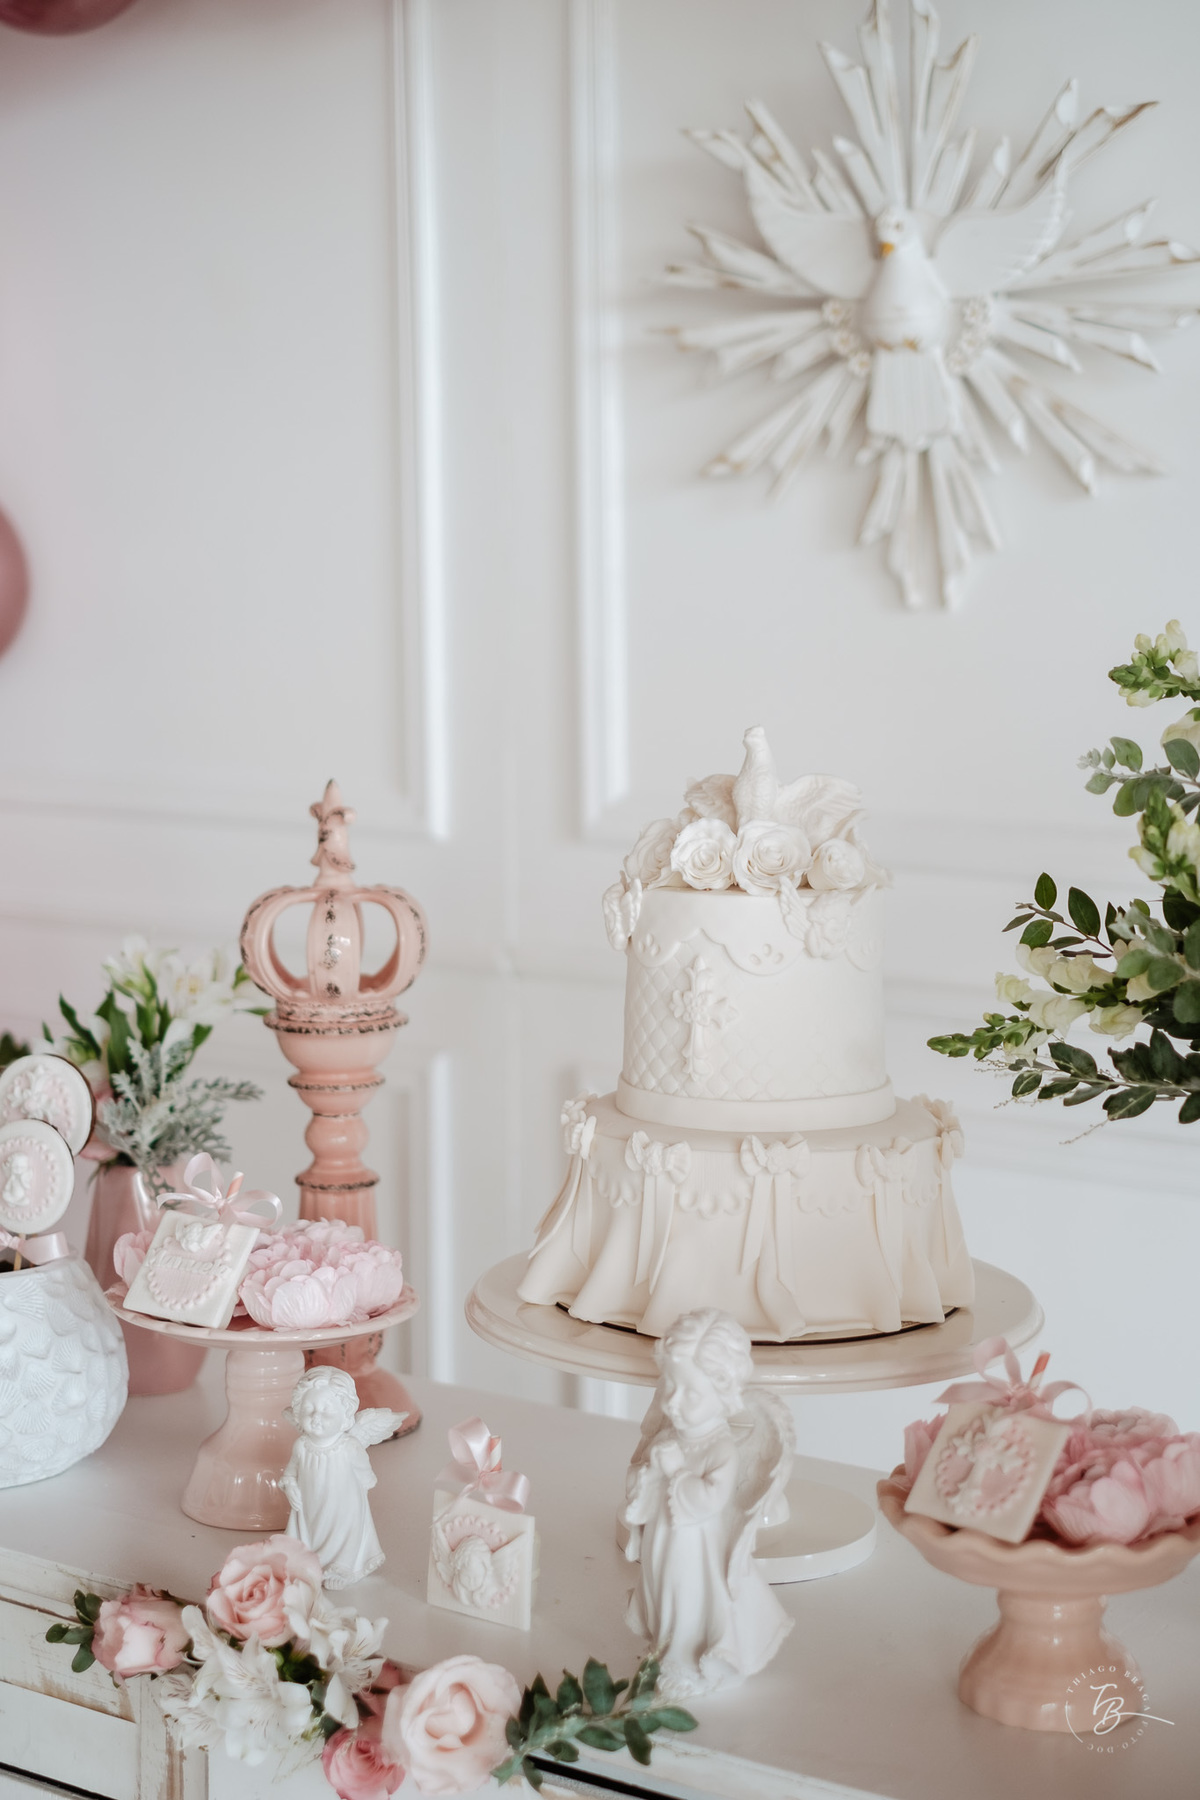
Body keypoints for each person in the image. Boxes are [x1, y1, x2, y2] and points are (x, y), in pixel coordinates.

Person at [620, 1308, 792, 1697]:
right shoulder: (674, 1436)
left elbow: (711, 1499)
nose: (674, 1403)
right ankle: (664, 1649)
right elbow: (649, 1483)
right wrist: (642, 1481)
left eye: (691, 1393)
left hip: (695, 1551)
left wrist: (678, 1472)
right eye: (670, 1388)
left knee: (687, 1599)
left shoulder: (722, 1448)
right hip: (664, 1542)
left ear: (723, 1392)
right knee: (662, 1592)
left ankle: (687, 1659)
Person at [280, 1366, 403, 1587]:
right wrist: (290, 1487)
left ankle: (343, 1567)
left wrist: (367, 1481)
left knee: (343, 1532)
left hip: (343, 1506)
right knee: (313, 1533)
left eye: (327, 1411)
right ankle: (312, 1561)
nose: (316, 1417)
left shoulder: (348, 1446)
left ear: (345, 1416)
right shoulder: (301, 1446)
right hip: (311, 1507)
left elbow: (363, 1469)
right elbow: (290, 1472)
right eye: (309, 1409)